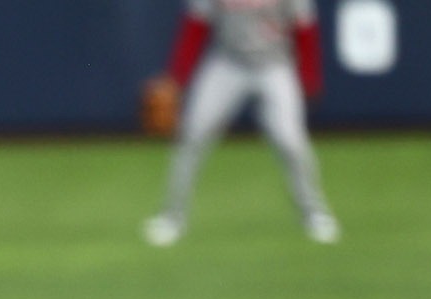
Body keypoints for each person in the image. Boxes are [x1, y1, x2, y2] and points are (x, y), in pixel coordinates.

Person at [143, 0, 341, 246]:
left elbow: (305, 30)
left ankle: (314, 213)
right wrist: (177, 76)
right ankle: (172, 216)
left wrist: (309, 77)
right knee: (192, 134)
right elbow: (195, 27)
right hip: (227, 63)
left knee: (291, 141)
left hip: (275, 65)